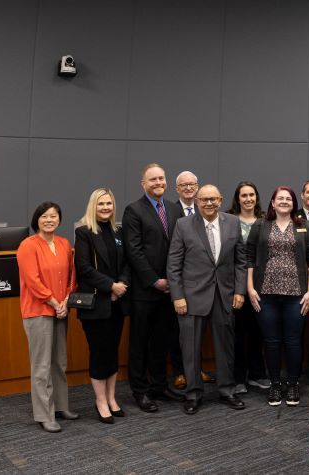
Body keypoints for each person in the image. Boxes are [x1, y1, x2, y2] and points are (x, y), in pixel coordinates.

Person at [167, 185, 247, 415]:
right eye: (204, 200)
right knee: (190, 347)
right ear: (197, 202)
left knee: (225, 346)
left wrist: (240, 291)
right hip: (191, 297)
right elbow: (173, 265)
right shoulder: (183, 225)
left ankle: (227, 390)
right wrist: (178, 296)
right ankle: (192, 394)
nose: (209, 203)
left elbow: (240, 261)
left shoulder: (232, 222)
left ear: (220, 200)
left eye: (213, 199)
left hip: (225, 295)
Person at [246, 187, 309, 407]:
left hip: (296, 294)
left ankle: (293, 383)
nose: (285, 201)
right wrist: (250, 288)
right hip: (265, 293)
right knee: (271, 341)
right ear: (272, 202)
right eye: (281, 198)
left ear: (294, 203)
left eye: (289, 198)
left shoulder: (304, 226)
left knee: (293, 341)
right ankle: (276, 384)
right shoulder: (261, 225)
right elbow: (249, 257)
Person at [122, 163, 185, 413]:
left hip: (170, 289)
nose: (158, 182)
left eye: (161, 178)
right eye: (153, 179)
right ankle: (141, 391)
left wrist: (173, 280)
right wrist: (154, 280)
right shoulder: (133, 210)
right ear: (143, 184)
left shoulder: (172, 209)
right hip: (145, 291)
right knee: (140, 342)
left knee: (162, 341)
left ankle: (159, 386)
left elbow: (179, 246)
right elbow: (134, 251)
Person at [17, 202, 78, 433]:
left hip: (61, 310)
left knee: (59, 362)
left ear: (59, 220)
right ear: (37, 220)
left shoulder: (64, 243)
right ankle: (45, 414)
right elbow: (32, 281)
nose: (49, 220)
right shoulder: (27, 245)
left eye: (53, 216)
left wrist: (65, 302)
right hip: (38, 311)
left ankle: (62, 406)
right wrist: (54, 302)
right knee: (41, 366)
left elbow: (72, 276)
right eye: (44, 217)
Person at [74, 189, 130, 424]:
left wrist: (122, 285)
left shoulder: (118, 231)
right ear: (93, 206)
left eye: (109, 203)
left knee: (112, 351)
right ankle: (100, 401)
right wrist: (111, 287)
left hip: (117, 304)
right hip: (96, 305)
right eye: (101, 204)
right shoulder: (84, 232)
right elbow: (84, 269)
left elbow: (127, 262)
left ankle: (111, 398)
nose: (106, 207)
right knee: (99, 353)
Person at [226, 181, 269, 393]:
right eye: (244, 195)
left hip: (261, 285)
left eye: (252, 195)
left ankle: (257, 374)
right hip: (236, 286)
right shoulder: (228, 220)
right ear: (238, 198)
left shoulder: (265, 221)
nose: (248, 199)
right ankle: (238, 378)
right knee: (239, 333)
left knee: (259, 331)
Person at [171, 170, 210, 391]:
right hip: (178, 282)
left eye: (192, 184)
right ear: (177, 189)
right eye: (183, 185)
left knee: (198, 333)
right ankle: (180, 371)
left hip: (202, 284)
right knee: (179, 332)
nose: (188, 188)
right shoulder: (170, 210)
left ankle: (196, 370)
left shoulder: (204, 209)